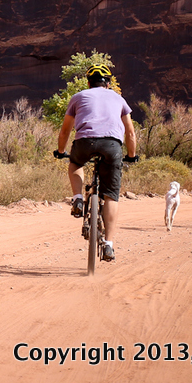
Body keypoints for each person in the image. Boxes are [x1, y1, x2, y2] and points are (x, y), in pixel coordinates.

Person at [53, 65, 138, 262]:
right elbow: (130, 132)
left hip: (84, 142)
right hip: (112, 146)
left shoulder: (78, 96)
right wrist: (132, 155)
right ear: (108, 83)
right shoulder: (118, 98)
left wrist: (61, 152)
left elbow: (65, 131)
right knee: (111, 196)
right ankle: (108, 244)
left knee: (75, 163)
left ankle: (78, 198)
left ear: (89, 83)